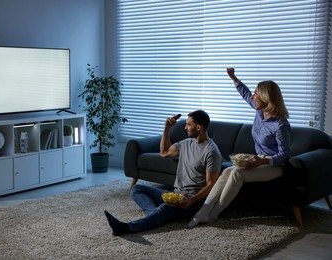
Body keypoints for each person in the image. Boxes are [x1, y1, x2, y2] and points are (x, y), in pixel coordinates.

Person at [188, 68, 291, 227]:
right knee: (227, 171)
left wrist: (261, 162)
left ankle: (214, 214)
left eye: (256, 94)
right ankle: (203, 211)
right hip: (258, 159)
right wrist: (233, 77)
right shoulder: (260, 111)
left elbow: (284, 154)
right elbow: (245, 93)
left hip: (275, 165)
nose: (253, 96)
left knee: (236, 172)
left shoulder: (280, 124)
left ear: (265, 97)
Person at [104, 110, 222, 236]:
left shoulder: (212, 152)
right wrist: (167, 129)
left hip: (192, 202)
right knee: (137, 189)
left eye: (188, 124)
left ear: (198, 127)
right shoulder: (186, 144)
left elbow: (211, 185)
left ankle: (126, 228)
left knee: (164, 209)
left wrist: (191, 201)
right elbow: (164, 152)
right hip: (176, 194)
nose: (185, 127)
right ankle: (156, 215)